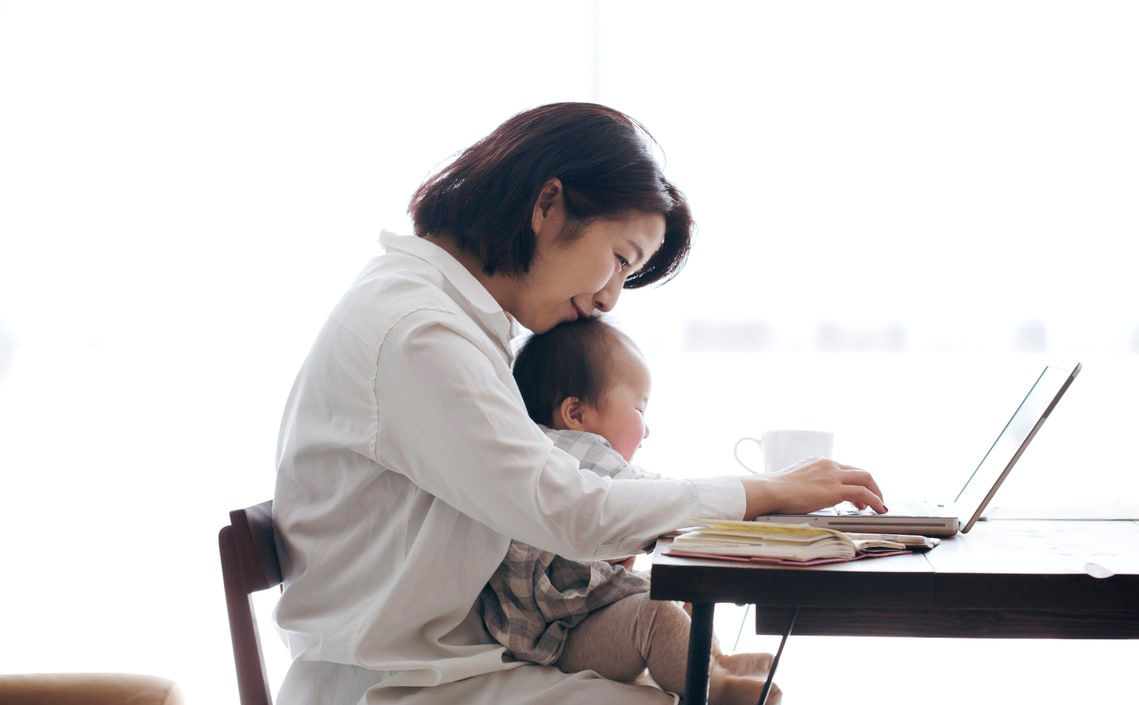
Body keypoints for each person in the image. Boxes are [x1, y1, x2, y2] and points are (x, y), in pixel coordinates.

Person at [272, 102, 886, 705]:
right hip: (389, 684)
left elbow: (566, 494)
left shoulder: (437, 315)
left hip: (445, 666)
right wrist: (765, 491)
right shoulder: (419, 333)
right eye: (620, 260)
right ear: (547, 205)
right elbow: (571, 511)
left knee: (684, 681)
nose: (610, 299)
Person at [482, 318, 781, 705]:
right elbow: (652, 496)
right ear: (576, 414)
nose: (647, 430)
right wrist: (749, 500)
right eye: (639, 408)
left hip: (578, 614)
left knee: (679, 590)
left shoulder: (540, 450)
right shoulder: (571, 449)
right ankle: (715, 689)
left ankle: (712, 661)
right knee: (656, 616)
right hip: (561, 636)